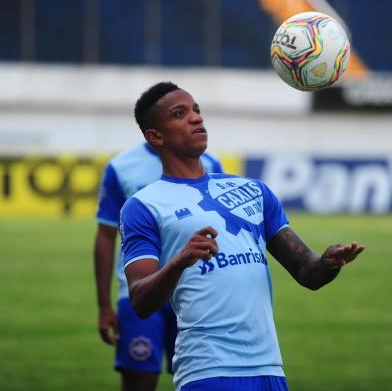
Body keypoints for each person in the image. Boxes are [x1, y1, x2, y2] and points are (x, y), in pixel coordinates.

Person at [119, 81, 365, 391]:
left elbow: (307, 272)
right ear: (156, 136)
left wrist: (328, 262)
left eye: (196, 110)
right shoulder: (143, 206)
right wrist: (179, 261)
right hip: (208, 370)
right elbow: (140, 300)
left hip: (270, 369)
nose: (196, 118)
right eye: (180, 114)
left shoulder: (253, 191)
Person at [94, 132, 223, 389]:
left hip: (195, 292)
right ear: (153, 127)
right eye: (177, 114)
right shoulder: (121, 167)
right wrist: (105, 305)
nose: (193, 120)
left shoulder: (210, 164)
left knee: (204, 376)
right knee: (140, 380)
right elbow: (106, 236)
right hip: (138, 291)